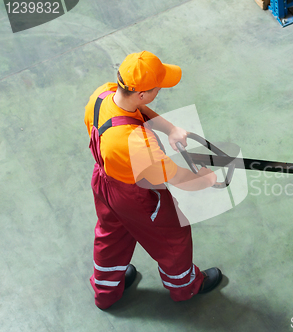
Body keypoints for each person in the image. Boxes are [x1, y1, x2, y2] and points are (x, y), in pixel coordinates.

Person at [84, 51, 223, 310]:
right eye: (157, 87)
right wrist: (205, 178)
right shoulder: (138, 144)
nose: (159, 90)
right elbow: (178, 177)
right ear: (142, 93)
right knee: (172, 239)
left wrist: (170, 129)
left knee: (111, 234)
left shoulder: (102, 95)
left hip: (104, 183)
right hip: (136, 197)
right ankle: (186, 286)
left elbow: (136, 109)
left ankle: (105, 291)